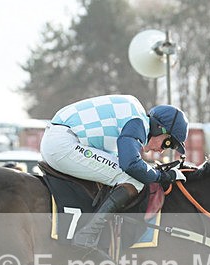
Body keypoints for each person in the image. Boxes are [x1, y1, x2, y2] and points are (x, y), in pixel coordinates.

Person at [40, 94, 189, 254]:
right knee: (133, 181)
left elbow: (127, 162)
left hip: (58, 139)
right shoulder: (138, 122)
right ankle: (88, 234)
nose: (161, 150)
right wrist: (162, 177)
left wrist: (153, 171)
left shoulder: (133, 116)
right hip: (62, 144)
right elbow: (131, 165)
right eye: (168, 143)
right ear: (159, 128)